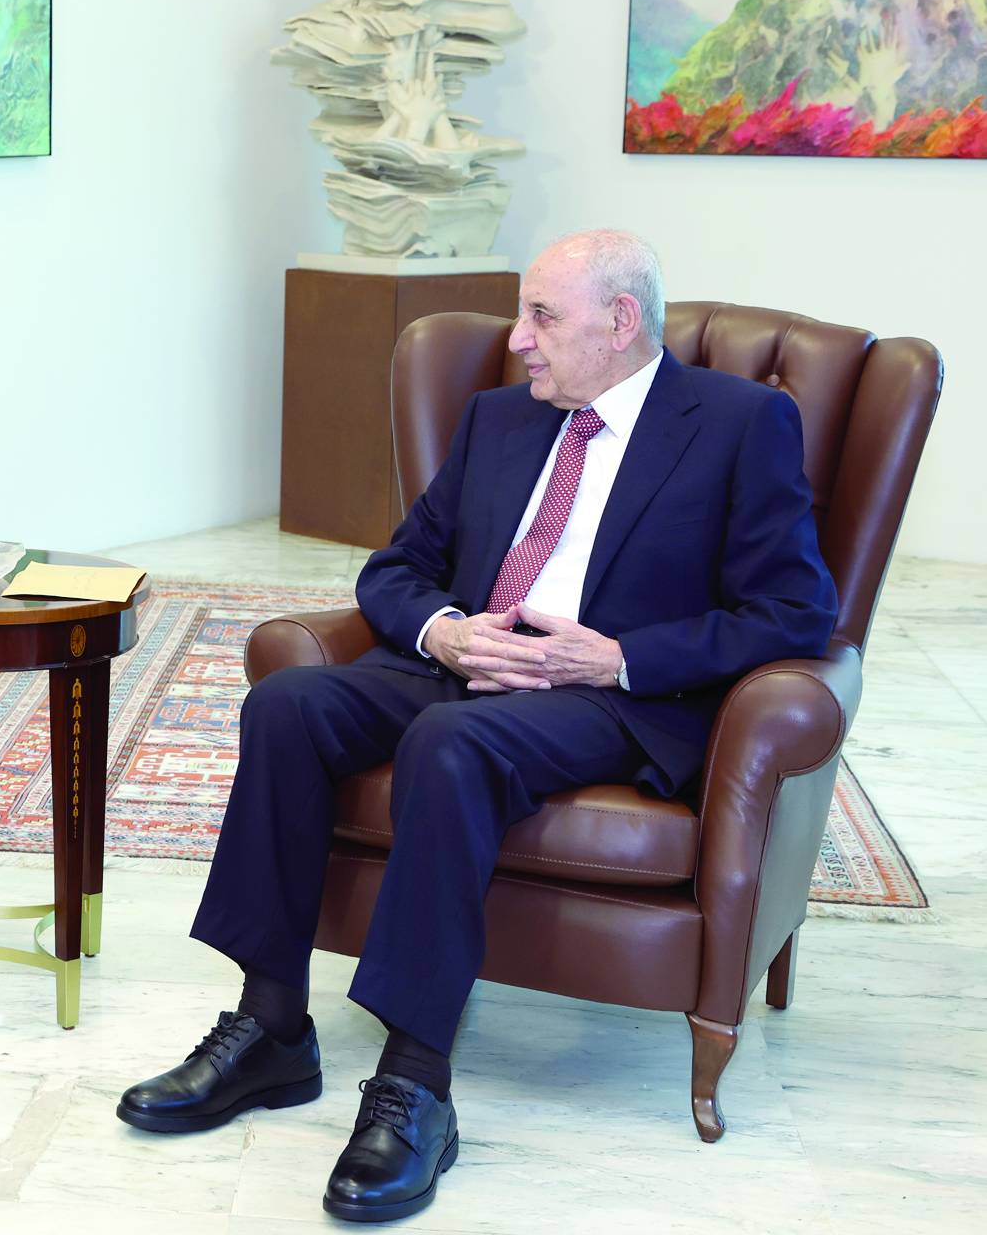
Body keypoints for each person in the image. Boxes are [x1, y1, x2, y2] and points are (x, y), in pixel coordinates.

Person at [115, 230, 836, 1221]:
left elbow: (794, 613)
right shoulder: (499, 418)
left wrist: (613, 656)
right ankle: (271, 1025)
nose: (517, 340)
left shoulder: (737, 423)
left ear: (619, 321)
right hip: (458, 669)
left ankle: (414, 1085)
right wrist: (446, 631)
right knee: (286, 705)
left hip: (607, 695)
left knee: (448, 746)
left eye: (541, 316)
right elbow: (394, 570)